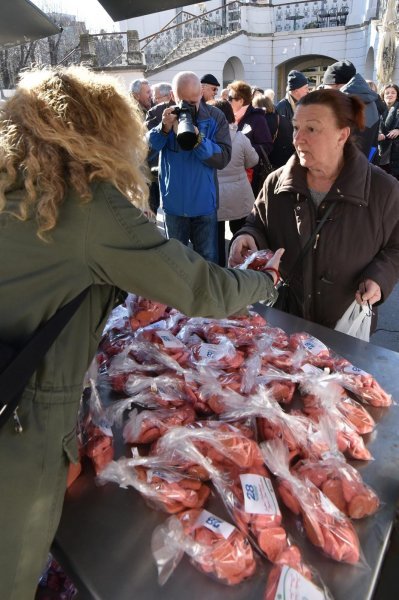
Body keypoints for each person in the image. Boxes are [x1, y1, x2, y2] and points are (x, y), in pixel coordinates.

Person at [0, 65, 283, 600]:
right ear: (105, 130)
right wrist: (264, 282)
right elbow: (202, 289)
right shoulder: (87, 204)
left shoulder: (15, 183)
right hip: (20, 425)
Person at [229, 89, 399, 330]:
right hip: (284, 320)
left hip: (345, 326)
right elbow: (256, 225)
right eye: (296, 128)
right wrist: (247, 236)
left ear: (342, 135)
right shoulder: (276, 182)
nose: (297, 139)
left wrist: (379, 277)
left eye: (311, 129)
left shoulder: (383, 190)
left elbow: (395, 248)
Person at [148, 71, 232, 262]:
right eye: (184, 102)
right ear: (173, 96)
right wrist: (163, 129)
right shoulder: (160, 114)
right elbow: (144, 153)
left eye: (194, 102)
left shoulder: (215, 116)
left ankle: (206, 293)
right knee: (175, 263)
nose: (189, 108)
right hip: (174, 207)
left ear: (201, 93)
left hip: (204, 207)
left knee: (207, 261)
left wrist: (198, 141)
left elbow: (223, 158)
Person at [209, 99, 259, 266]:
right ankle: (241, 271)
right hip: (239, 195)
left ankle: (218, 274)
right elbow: (253, 160)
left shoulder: (207, 139)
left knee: (215, 242)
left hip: (214, 195)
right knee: (241, 237)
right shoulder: (240, 137)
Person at [323, 59, 380, 159]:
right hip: (364, 165)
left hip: (344, 167)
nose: (324, 90)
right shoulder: (370, 100)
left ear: (336, 84)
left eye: (326, 86)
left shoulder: (344, 103)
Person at [228, 80, 272, 196]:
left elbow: (267, 146)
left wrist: (244, 149)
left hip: (251, 176)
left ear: (241, 101)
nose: (227, 101)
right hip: (235, 174)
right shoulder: (232, 117)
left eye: (230, 98)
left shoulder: (257, 118)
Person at [145, 82, 175, 215]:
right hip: (157, 169)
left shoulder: (154, 111)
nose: (154, 101)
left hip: (158, 168)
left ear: (169, 95)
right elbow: (149, 141)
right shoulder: (154, 112)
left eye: (157, 98)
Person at [274, 70, 309, 167]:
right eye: (305, 88)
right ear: (296, 90)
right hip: (283, 160)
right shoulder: (280, 108)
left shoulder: (302, 104)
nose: (308, 90)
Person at [378, 83, 399, 178]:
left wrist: (398, 130)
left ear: (397, 95)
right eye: (387, 93)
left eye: (393, 93)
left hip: (396, 150)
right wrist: (377, 134)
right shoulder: (377, 108)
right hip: (381, 149)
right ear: (383, 95)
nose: (390, 95)